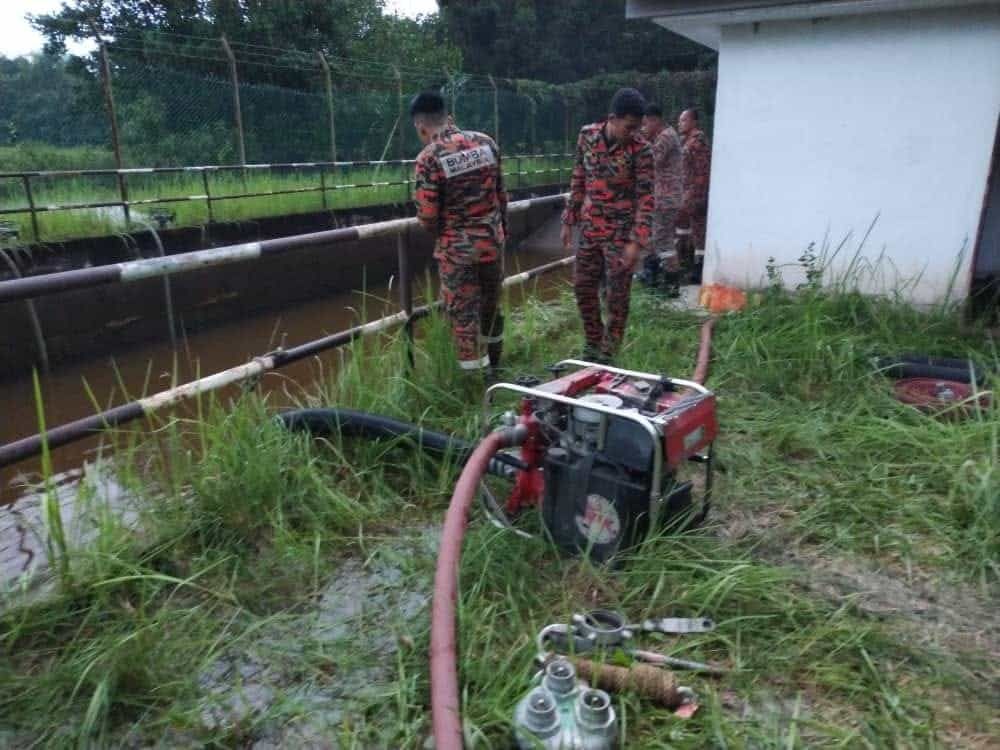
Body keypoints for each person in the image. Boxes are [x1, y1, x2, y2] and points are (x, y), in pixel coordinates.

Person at [411, 91, 508, 376]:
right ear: (448, 117)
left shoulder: (429, 157)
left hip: (458, 254)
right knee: (491, 308)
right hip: (493, 243)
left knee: (465, 319)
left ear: (421, 127)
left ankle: (477, 386)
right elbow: (502, 196)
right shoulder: (486, 143)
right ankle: (497, 369)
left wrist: (445, 230)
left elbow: (427, 216)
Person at [560, 88, 654, 362]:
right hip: (590, 230)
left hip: (620, 236)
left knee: (617, 297)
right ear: (612, 119)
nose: (634, 133)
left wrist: (637, 241)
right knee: (583, 287)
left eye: (638, 127)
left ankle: (608, 355)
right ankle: (592, 344)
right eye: (629, 127)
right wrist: (569, 219)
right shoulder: (587, 136)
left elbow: (647, 197)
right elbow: (578, 176)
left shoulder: (641, 150)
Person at [638, 103, 683, 296]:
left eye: (646, 123)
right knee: (657, 238)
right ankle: (654, 276)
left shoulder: (665, 137)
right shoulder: (666, 135)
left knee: (663, 241)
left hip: (666, 198)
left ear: (655, 120)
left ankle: (672, 285)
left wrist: (640, 140)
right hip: (664, 196)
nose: (644, 127)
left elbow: (651, 160)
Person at [677, 108, 712, 270]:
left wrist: (696, 195)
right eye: (680, 120)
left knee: (699, 232)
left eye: (684, 120)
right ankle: (686, 265)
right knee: (685, 230)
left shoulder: (698, 141)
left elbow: (702, 171)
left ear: (694, 122)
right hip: (686, 195)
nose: (680, 123)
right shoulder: (686, 140)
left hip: (696, 195)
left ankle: (699, 269)